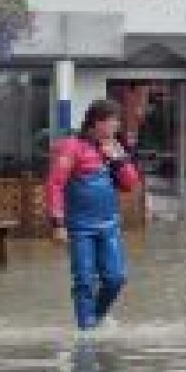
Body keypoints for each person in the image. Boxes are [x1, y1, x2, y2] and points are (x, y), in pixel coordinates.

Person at [46, 98, 141, 331]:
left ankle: (97, 317)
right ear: (96, 123)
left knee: (116, 278)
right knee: (84, 280)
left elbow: (131, 184)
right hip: (80, 228)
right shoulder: (71, 147)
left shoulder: (113, 147)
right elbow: (55, 183)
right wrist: (57, 223)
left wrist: (118, 160)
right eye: (112, 122)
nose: (116, 126)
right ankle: (86, 330)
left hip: (109, 225)